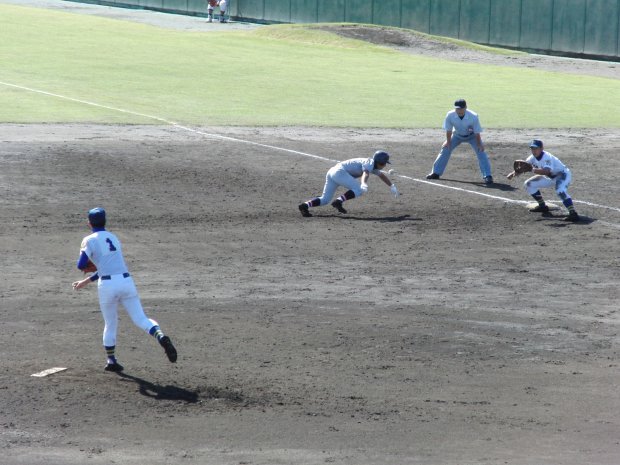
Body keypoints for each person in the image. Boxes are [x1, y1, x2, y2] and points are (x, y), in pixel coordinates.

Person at [72, 207, 178, 372]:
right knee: (141, 319)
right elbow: (110, 266)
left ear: (89, 223)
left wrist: (89, 265)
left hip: (107, 286)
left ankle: (111, 360)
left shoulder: (88, 240)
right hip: (126, 281)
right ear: (105, 221)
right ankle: (161, 336)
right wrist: (85, 282)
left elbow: (81, 264)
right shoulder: (113, 238)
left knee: (110, 323)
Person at [298, 150, 399, 217]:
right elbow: (366, 173)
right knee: (359, 189)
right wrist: (363, 183)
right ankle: (338, 202)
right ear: (380, 162)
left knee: (324, 200)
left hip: (332, 172)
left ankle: (305, 206)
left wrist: (392, 186)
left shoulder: (373, 165)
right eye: (385, 163)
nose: (385, 165)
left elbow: (381, 175)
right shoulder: (369, 163)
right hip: (339, 172)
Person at [506, 139, 579, 222]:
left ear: (541, 148)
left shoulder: (547, 157)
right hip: (550, 177)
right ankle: (542, 206)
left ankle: (573, 213)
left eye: (536, 148)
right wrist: (513, 174)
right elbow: (523, 167)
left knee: (560, 190)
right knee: (529, 184)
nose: (534, 151)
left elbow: (546, 171)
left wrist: (532, 169)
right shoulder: (531, 158)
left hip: (562, 175)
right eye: (532, 148)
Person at [426, 99, 493, 185]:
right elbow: (449, 130)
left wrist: (479, 144)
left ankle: (487, 176)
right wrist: (448, 142)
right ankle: (435, 173)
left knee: (481, 152)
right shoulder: (450, 115)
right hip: (457, 136)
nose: (459, 110)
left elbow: (477, 132)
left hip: (472, 136)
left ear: (465, 108)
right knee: (445, 149)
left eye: (461, 109)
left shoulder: (473, 116)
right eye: (457, 109)